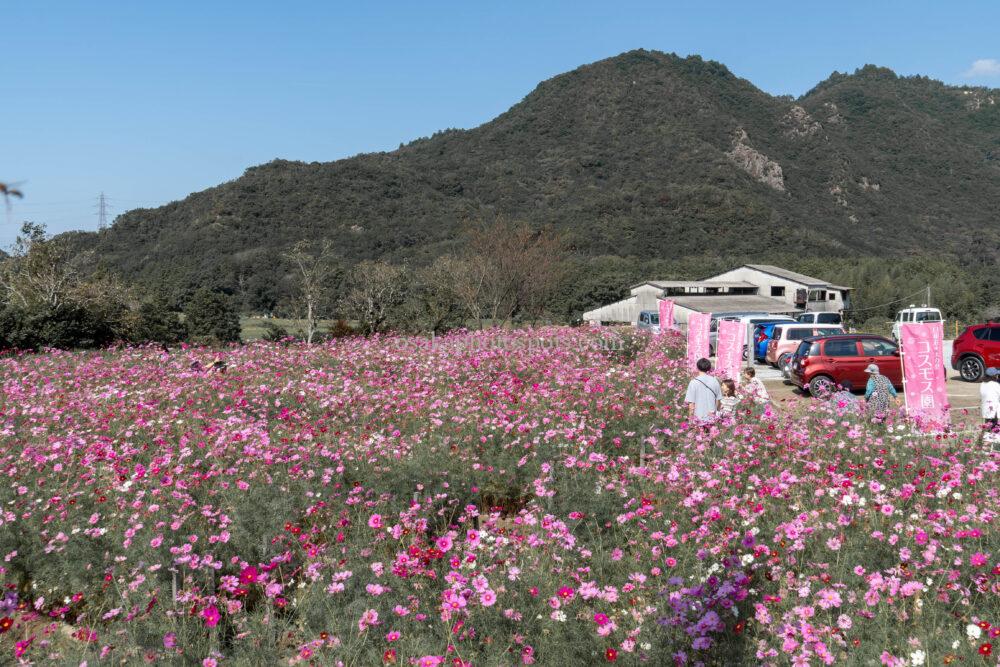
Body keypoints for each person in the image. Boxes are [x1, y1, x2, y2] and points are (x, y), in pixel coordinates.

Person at [980, 367, 1000, 433]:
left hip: (985, 409)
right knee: (994, 428)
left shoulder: (982, 384)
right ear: (994, 376)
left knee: (988, 426)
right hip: (994, 409)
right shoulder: (995, 385)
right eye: (996, 375)